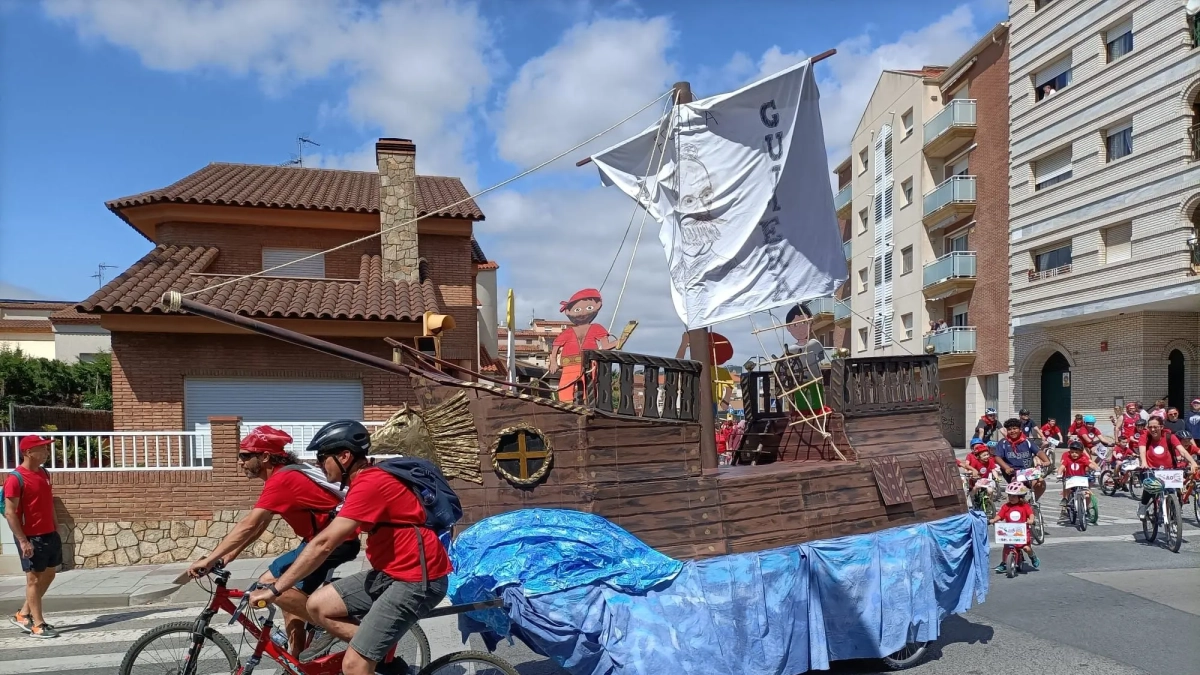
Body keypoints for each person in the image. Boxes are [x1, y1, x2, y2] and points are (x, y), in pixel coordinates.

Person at [247, 421, 450, 675]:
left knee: (353, 665)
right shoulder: (362, 482)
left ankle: (373, 655)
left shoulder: (371, 483)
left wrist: (276, 587)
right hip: (391, 573)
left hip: (418, 580)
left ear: (344, 456)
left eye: (322, 458)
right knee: (317, 605)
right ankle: (382, 656)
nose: (319, 465)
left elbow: (324, 543)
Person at [188, 426, 359, 657]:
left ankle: (326, 624)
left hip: (333, 542)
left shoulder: (282, 479)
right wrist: (230, 555)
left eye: (246, 455)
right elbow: (260, 525)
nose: (241, 462)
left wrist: (210, 559)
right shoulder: (282, 476)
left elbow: (248, 524)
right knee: (287, 598)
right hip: (318, 541)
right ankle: (297, 659)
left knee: (270, 587)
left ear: (265, 457)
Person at [3, 436, 61, 638]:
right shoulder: (15, 479)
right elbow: (10, 512)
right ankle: (38, 624)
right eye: (42, 448)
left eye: (46, 448)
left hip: (49, 534)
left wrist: (55, 525)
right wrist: (22, 541)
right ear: (28, 452)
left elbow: (48, 501)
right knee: (33, 579)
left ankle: (23, 613)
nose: (46, 452)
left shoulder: (44, 473)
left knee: (50, 574)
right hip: (31, 537)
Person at [548, 288, 617, 403]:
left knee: (588, 386)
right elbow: (556, 346)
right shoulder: (568, 332)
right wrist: (553, 362)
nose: (582, 313)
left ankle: (586, 403)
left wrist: (617, 343)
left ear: (597, 306)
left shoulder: (596, 328)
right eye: (577, 309)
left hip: (589, 364)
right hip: (569, 364)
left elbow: (605, 346)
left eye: (589, 308)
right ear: (568, 312)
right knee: (565, 387)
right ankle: (566, 405)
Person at [1136, 417, 1200, 519]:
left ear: (1161, 427)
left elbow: (1182, 451)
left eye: (1155, 427)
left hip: (1169, 469)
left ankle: (1175, 515)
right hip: (1151, 468)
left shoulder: (1170, 436)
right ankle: (1143, 505)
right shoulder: (1145, 436)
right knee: (1150, 486)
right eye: (1150, 427)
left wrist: (1192, 462)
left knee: (1176, 491)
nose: (1152, 430)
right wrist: (1144, 462)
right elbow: (1142, 450)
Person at [993, 418, 1050, 501]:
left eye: (1015, 428)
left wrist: (1046, 461)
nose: (1012, 431)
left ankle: (1032, 502)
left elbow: (1038, 452)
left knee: (1041, 483)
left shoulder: (1027, 441)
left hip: (1028, 471)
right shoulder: (1003, 442)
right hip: (1013, 473)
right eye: (1009, 429)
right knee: (1017, 491)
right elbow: (997, 457)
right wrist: (1006, 468)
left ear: (1020, 429)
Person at [990, 482, 1040, 573]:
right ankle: (1004, 563)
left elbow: (1031, 514)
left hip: (1022, 533)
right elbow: (1000, 515)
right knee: (1006, 547)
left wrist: (1031, 520)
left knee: (1026, 548)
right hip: (1010, 532)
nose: (1011, 498)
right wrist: (994, 520)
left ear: (1020, 497)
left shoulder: (1025, 506)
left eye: (1014, 496)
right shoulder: (1006, 506)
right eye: (1010, 496)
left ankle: (1033, 556)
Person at [1055, 440, 1100, 507]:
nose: (1074, 454)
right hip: (1069, 477)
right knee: (1067, 487)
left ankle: (1086, 507)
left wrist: (1096, 469)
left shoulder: (1083, 457)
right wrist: (1059, 474)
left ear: (1081, 451)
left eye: (1076, 452)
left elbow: (1090, 464)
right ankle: (1065, 502)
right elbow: (1062, 466)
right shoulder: (1067, 457)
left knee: (1087, 492)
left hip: (1081, 478)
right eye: (1072, 452)